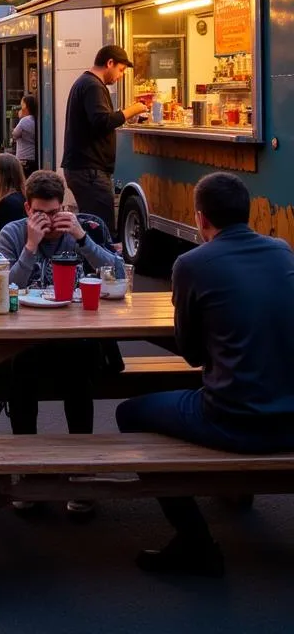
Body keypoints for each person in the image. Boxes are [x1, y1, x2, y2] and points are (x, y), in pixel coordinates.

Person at [117, 172, 294, 577]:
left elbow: (193, 355)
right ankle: (231, 496)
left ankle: (195, 541)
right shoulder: (282, 251)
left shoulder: (192, 263)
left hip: (235, 420)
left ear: (200, 218)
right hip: (291, 415)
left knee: (130, 413)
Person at [0, 170, 124, 515]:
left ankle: (81, 474)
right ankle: (29, 473)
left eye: (55, 212)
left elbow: (119, 274)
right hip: (26, 337)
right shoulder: (12, 233)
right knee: (19, 373)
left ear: (65, 206)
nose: (50, 221)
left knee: (80, 371)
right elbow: (2, 287)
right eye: (41, 213)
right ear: (27, 208)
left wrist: (83, 239)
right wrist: (31, 246)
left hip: (78, 334)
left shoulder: (87, 228)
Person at [61, 44, 148, 233]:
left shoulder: (85, 83)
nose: (121, 75)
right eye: (121, 70)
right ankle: (98, 263)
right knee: (100, 229)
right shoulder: (93, 85)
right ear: (110, 63)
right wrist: (133, 109)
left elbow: (97, 121)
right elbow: (102, 121)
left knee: (92, 226)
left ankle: (90, 260)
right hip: (90, 171)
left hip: (84, 169)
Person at [12, 94, 38, 177]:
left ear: (25, 106)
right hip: (34, 156)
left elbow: (15, 134)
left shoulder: (24, 120)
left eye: (22, 104)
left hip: (24, 157)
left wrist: (19, 118)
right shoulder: (36, 119)